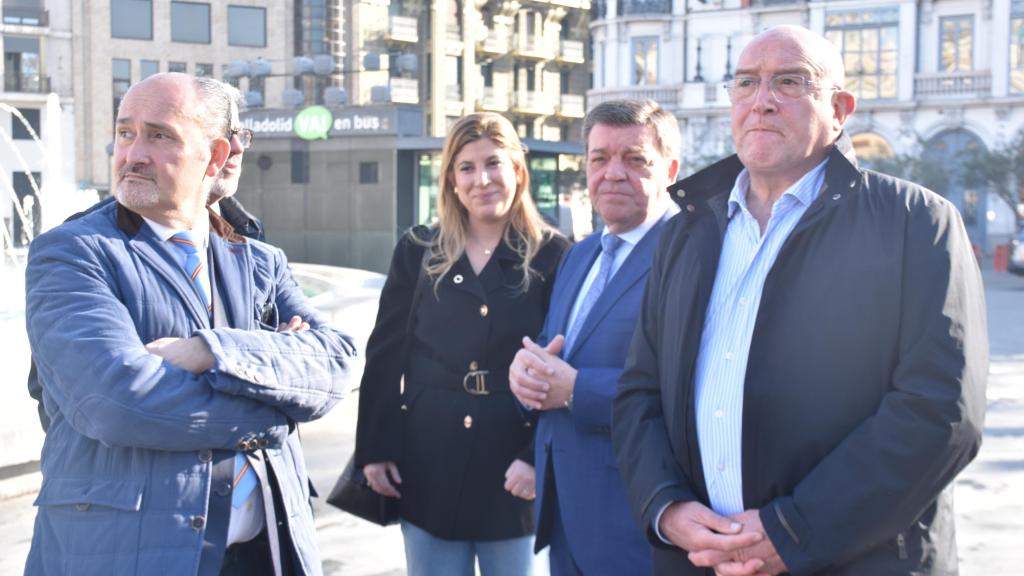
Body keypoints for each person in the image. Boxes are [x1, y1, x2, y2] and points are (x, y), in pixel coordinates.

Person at [612, 25, 988, 575]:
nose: (761, 102)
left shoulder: (916, 223)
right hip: (699, 558)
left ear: (839, 109)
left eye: (789, 82)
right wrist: (666, 507)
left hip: (856, 560)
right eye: (745, 83)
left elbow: (941, 411)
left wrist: (792, 532)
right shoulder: (686, 233)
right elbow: (639, 393)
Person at [24, 72, 356, 575]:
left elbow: (334, 365)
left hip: (266, 553)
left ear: (217, 156)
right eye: (125, 132)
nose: (133, 152)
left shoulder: (259, 261)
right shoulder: (72, 253)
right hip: (127, 555)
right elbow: (116, 401)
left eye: (160, 136)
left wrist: (211, 352)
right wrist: (276, 411)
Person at [354, 112, 569, 576]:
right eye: (466, 167)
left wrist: (536, 458)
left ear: (518, 170)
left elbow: (566, 364)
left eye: (493, 163)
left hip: (515, 471)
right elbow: (387, 355)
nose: (482, 180)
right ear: (450, 179)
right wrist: (375, 447)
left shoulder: (554, 254)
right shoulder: (418, 250)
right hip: (429, 461)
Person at [26, 81, 263, 432]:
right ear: (214, 150)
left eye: (243, 134)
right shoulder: (85, 241)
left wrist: (207, 353)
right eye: (127, 133)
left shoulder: (248, 237)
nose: (239, 148)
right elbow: (103, 396)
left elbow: (319, 362)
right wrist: (268, 404)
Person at [508, 99, 680, 575]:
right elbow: (554, 349)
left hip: (636, 521)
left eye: (635, 159)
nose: (613, 173)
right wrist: (525, 373)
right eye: (600, 158)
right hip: (566, 513)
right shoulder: (580, 255)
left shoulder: (689, 256)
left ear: (670, 168)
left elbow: (689, 388)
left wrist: (576, 390)